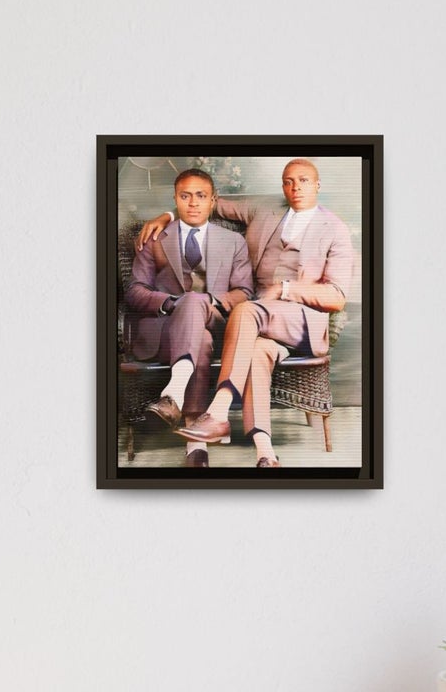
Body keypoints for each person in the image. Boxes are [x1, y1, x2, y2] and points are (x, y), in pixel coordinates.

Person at [135, 158, 353, 467]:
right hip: (261, 324)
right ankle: (265, 451)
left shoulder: (336, 229)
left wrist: (286, 289)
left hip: (299, 318)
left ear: (317, 185)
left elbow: (337, 296)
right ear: (282, 186)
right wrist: (168, 214)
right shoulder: (264, 209)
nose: (296, 187)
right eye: (289, 181)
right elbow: (208, 202)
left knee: (247, 310)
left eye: (304, 180)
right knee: (257, 352)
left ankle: (219, 412)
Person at [125, 168, 253, 467]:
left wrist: (208, 301)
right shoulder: (155, 238)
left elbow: (244, 292)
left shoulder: (233, 242)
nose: (193, 203)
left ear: (213, 201)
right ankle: (196, 444)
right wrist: (173, 303)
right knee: (202, 339)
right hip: (165, 331)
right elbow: (134, 292)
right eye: (185, 196)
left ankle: (173, 396)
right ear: (175, 199)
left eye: (200, 196)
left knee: (200, 312)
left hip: (216, 319)